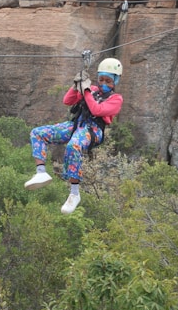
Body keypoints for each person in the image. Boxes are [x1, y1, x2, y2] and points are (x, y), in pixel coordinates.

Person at [24, 58, 124, 214]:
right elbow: (67, 100)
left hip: (93, 131)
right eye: (101, 79)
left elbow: (97, 110)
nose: (103, 83)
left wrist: (86, 91)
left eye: (108, 81)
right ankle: (41, 172)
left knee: (73, 145)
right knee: (38, 133)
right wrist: (76, 86)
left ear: (115, 81)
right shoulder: (91, 89)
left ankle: (74, 194)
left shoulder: (115, 99)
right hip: (77, 125)